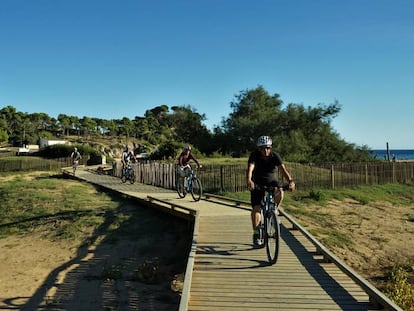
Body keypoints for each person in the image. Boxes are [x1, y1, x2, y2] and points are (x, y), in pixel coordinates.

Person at [246, 135, 295, 247]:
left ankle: (274, 211)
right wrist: (249, 180)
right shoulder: (254, 155)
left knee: (280, 191)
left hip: (271, 181)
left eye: (268, 147)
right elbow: (250, 168)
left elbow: (283, 170)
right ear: (259, 148)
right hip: (257, 182)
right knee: (256, 208)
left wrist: (291, 181)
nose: (266, 150)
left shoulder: (274, 156)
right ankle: (257, 233)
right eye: (263, 148)